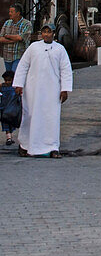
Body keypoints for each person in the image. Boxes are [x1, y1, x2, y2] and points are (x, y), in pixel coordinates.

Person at [13, 23, 72, 158]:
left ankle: (52, 147)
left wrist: (65, 89)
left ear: (53, 33)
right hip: (33, 90)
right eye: (44, 32)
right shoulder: (34, 47)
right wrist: (19, 84)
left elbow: (66, 70)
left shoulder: (60, 49)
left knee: (51, 118)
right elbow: (23, 66)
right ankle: (25, 145)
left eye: (49, 32)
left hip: (52, 91)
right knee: (30, 116)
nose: (46, 34)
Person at [0, 3, 32, 72]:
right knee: (9, 78)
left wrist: (7, 36)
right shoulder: (7, 23)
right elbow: (1, 38)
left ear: (18, 13)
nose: (9, 14)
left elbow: (20, 38)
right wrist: (13, 40)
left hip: (19, 56)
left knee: (16, 75)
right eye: (9, 12)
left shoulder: (27, 24)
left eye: (12, 12)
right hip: (7, 56)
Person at [1, 69, 22, 146]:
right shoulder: (2, 86)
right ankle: (8, 138)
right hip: (4, 109)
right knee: (6, 123)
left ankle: (10, 136)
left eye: (9, 80)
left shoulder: (15, 88)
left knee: (11, 123)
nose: (7, 82)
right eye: (6, 80)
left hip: (12, 109)